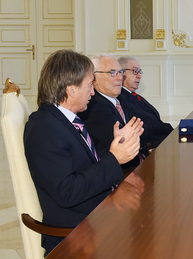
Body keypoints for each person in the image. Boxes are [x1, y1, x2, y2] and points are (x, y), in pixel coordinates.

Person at [24, 49, 143, 255]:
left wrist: (117, 146)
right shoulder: (44, 128)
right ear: (71, 90)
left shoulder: (66, 120)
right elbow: (67, 192)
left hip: (96, 216)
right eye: (89, 85)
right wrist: (115, 158)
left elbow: (88, 162)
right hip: (77, 236)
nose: (93, 93)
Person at [79, 53, 148, 168]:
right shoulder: (93, 106)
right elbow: (119, 146)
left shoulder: (121, 99)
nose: (120, 77)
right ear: (94, 78)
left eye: (120, 72)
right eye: (112, 73)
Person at [117, 56, 173, 149]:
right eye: (135, 71)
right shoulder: (121, 98)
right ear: (122, 72)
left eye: (140, 72)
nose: (139, 76)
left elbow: (155, 121)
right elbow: (141, 127)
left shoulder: (134, 96)